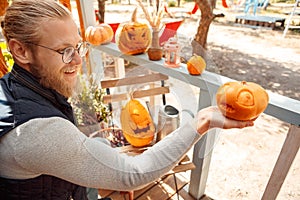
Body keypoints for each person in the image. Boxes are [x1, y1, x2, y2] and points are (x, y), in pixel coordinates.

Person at [0, 0, 255, 199]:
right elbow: (133, 174)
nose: (78, 61)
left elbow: (65, 151)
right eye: (64, 50)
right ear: (21, 50)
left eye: (78, 47)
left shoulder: (11, 91)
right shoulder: (37, 131)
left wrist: (98, 158)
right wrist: (201, 120)